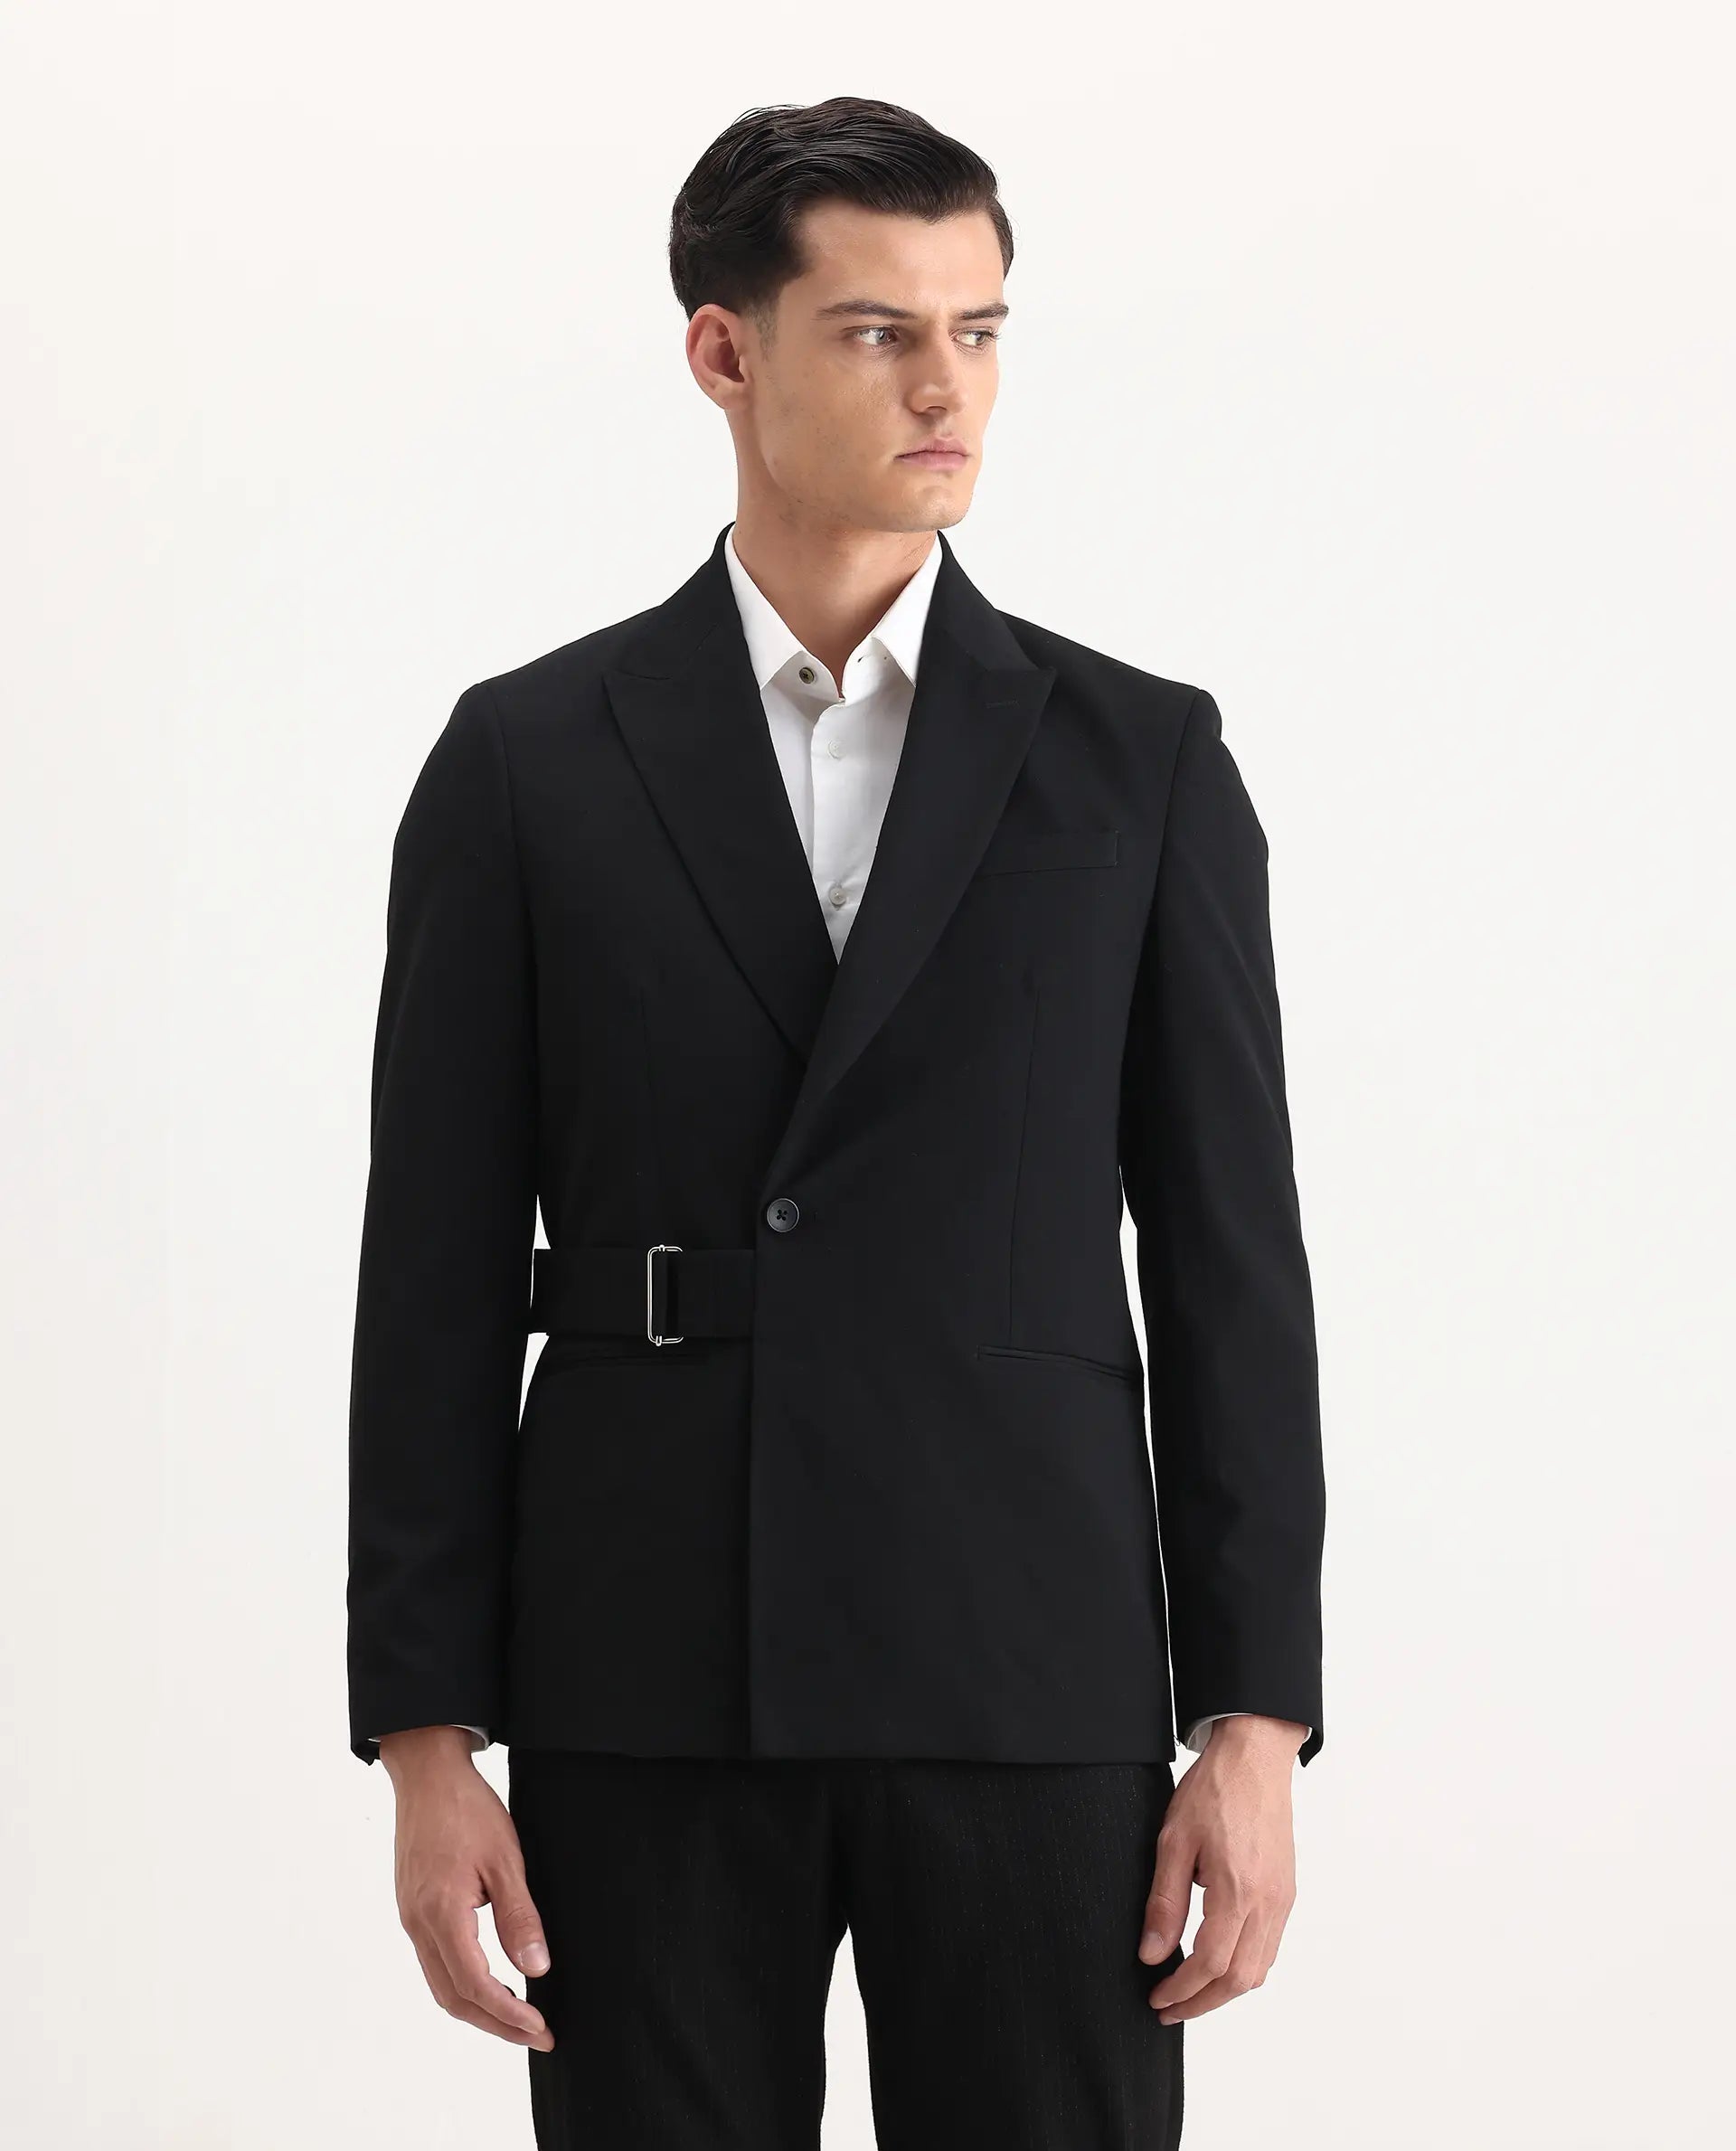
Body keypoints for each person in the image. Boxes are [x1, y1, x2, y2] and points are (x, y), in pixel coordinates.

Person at [347, 93, 1326, 2151]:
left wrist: (1257, 1715)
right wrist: (428, 1736)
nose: (946, 388)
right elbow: (427, 1277)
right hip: (647, 1670)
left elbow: (1232, 1263)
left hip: (1029, 1669)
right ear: (725, 350)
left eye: (979, 330)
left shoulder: (1139, 760)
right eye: (879, 332)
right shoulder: (529, 761)